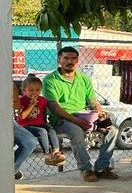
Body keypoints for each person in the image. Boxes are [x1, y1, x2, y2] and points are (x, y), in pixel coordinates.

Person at [43, 47, 119, 182]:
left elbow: (93, 101)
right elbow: (54, 107)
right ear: (59, 60)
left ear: (77, 61)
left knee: (112, 130)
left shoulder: (83, 79)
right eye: (66, 58)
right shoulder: (50, 80)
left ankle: (101, 168)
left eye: (73, 58)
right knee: (76, 132)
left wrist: (98, 113)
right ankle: (86, 169)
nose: (69, 61)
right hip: (62, 119)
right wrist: (76, 121)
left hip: (85, 117)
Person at [17, 74, 66, 166]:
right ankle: (47, 155)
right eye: (31, 90)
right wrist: (31, 105)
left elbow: (44, 113)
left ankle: (56, 152)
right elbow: (22, 117)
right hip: (26, 125)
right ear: (24, 90)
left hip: (40, 123)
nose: (34, 92)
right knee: (42, 131)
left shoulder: (43, 100)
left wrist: (46, 123)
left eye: (37, 90)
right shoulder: (22, 100)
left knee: (50, 130)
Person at [12, 83, 38, 180]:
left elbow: (16, 105)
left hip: (6, 119)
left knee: (29, 141)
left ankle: (11, 169)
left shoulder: (8, 82)